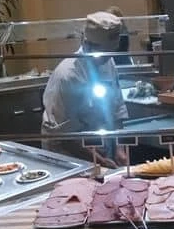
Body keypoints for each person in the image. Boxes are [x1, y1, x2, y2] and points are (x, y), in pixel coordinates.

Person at [41, 11, 129, 168]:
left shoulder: (107, 61)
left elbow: (117, 109)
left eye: (111, 52)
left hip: (100, 149)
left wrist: (119, 148)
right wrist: (100, 162)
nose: (108, 57)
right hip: (67, 158)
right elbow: (65, 137)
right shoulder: (68, 75)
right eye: (103, 53)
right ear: (88, 45)